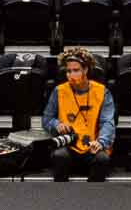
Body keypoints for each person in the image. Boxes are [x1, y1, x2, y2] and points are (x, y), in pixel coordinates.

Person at [41, 47, 115, 182]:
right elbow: (47, 119)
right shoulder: (59, 91)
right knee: (59, 156)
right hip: (69, 145)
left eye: (76, 70)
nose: (70, 75)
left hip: (92, 144)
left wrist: (101, 142)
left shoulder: (102, 92)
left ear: (85, 70)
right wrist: (57, 125)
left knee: (102, 159)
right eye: (68, 71)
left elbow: (107, 122)